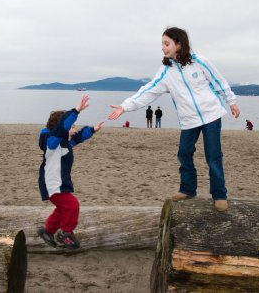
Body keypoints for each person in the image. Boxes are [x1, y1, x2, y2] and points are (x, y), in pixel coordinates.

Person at [108, 27, 240, 211]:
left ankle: (219, 195)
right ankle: (188, 189)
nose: (163, 47)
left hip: (211, 114)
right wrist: (125, 106)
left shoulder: (199, 61)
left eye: (166, 43)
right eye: (162, 44)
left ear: (179, 44)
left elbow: (219, 81)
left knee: (213, 156)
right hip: (188, 119)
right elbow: (149, 90)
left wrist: (231, 101)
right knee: (184, 153)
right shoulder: (166, 71)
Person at [37, 94, 104, 249]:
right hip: (53, 183)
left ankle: (47, 231)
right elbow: (62, 128)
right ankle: (66, 233)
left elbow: (78, 138)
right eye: (72, 127)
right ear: (61, 128)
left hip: (59, 182)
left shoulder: (64, 144)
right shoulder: (52, 144)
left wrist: (92, 130)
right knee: (72, 205)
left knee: (63, 208)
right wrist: (76, 111)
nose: (73, 130)